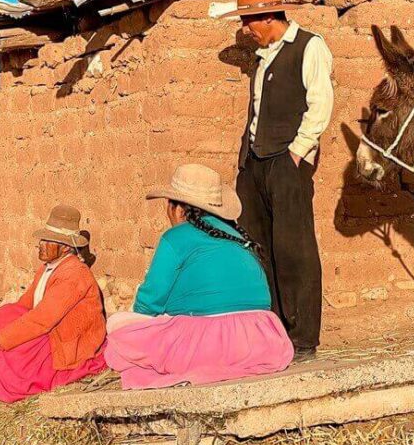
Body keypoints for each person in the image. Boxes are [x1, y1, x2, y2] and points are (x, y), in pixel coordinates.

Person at [104, 163, 294, 389]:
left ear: (177, 209)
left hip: (207, 346)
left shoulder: (175, 237)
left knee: (118, 326)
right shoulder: (238, 236)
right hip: (263, 341)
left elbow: (148, 304)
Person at [223, 0, 333, 358]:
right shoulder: (263, 56)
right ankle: (272, 332)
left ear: (268, 16)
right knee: (258, 247)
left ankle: (303, 337)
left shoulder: (309, 47)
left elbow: (319, 104)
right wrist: (246, 162)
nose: (245, 30)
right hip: (254, 164)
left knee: (294, 248)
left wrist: (296, 154)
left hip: (287, 162)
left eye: (249, 21)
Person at [0, 204, 106, 402]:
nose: (41, 245)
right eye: (42, 240)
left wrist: (1, 338)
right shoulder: (47, 269)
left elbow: (42, 319)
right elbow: (25, 305)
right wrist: (1, 327)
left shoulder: (74, 274)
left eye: (48, 241)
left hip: (65, 342)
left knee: (15, 353)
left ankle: (1, 375)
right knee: (6, 314)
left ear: (66, 247)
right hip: (49, 330)